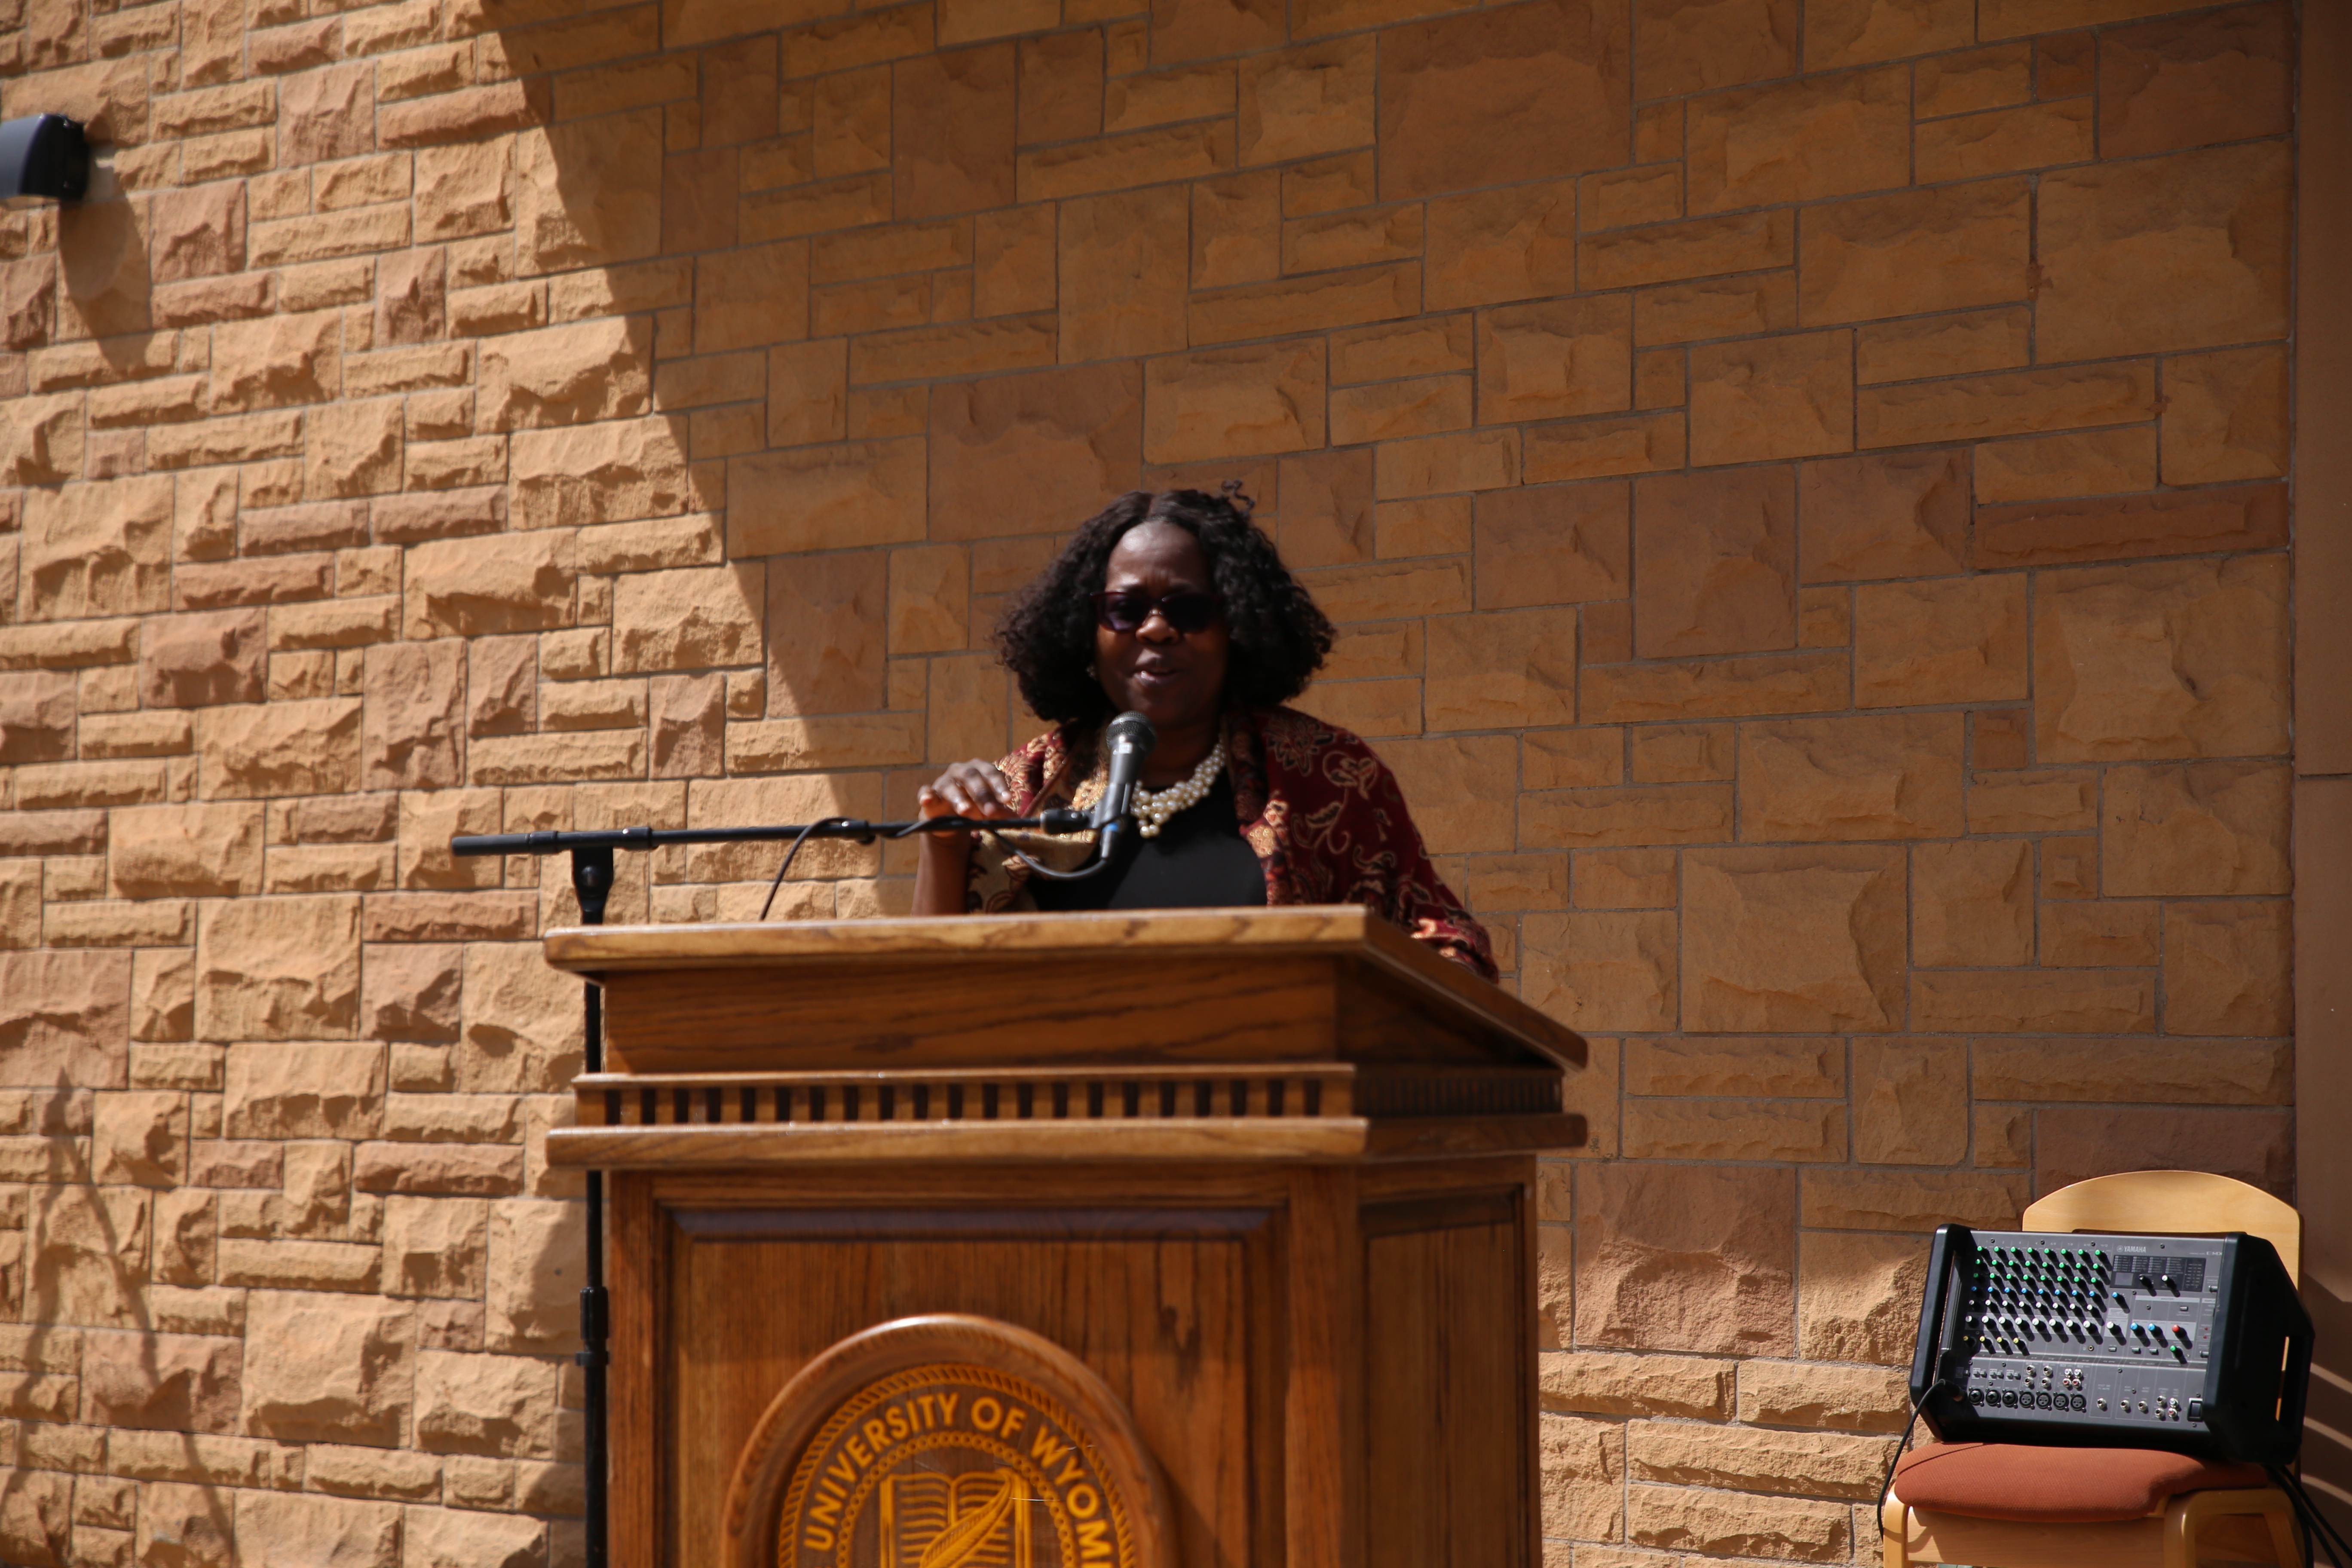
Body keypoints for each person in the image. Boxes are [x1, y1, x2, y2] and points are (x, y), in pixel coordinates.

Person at [910, 483, 1495, 980]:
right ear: (1087, 632)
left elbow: (1447, 951)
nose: (1157, 630)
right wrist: (943, 844)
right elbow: (923, 990)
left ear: (1236, 624)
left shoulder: (1329, 777)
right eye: (1125, 609)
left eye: (1188, 610)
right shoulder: (1024, 789)